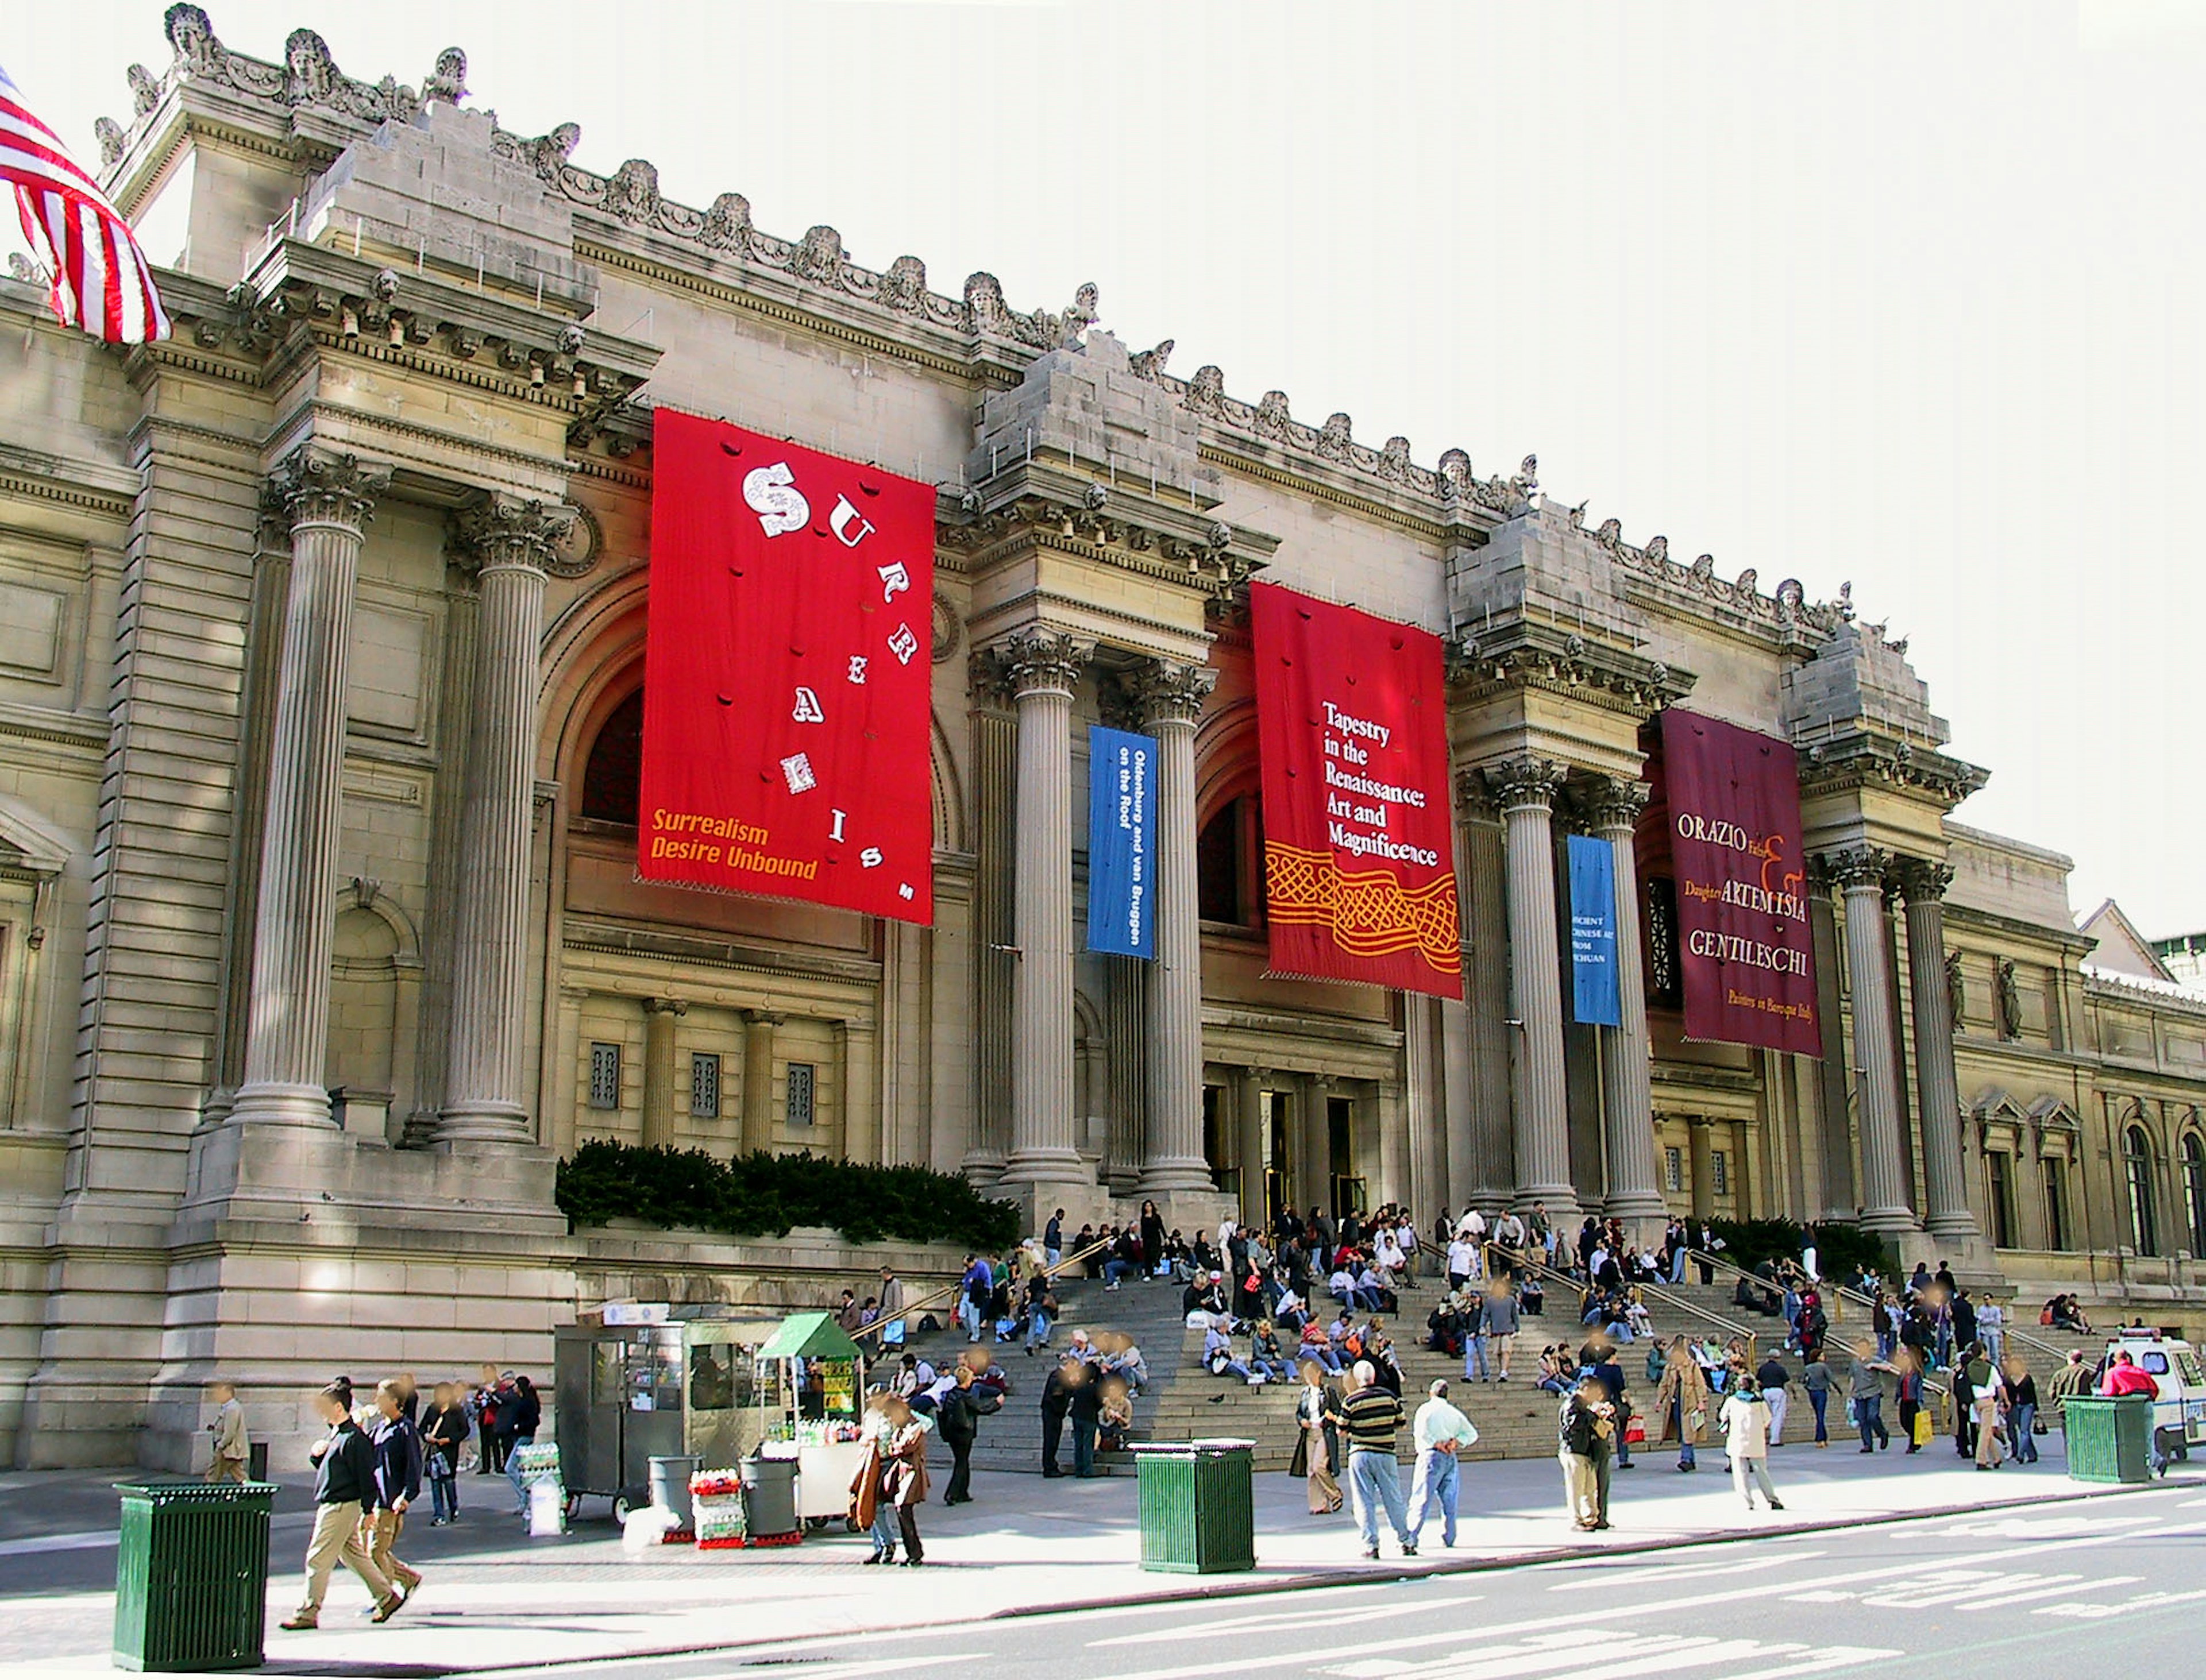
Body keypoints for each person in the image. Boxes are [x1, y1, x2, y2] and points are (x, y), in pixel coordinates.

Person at [280, 1382, 400, 1629]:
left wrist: (369, 1511)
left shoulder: (353, 1438)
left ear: (338, 1407)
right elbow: (332, 1468)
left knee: (318, 1557)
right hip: (338, 1502)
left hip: (341, 1505)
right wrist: (316, 1456)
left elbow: (367, 1478)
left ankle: (308, 1611)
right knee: (353, 1555)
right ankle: (386, 1596)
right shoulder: (338, 1434)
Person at [1340, 1360, 1416, 1559]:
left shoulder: (1351, 1401)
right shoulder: (1389, 1397)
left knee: (1364, 1500)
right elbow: (1402, 1423)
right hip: (1386, 1453)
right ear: (1374, 1377)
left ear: (1357, 1379)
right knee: (1393, 1498)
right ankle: (1406, 1541)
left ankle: (1371, 1545)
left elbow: (1341, 1428)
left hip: (1360, 1453)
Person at [365, 1379, 425, 1605]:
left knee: (376, 1552)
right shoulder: (380, 1429)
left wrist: (407, 1496)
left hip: (391, 1502)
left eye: (381, 1397)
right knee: (374, 1550)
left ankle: (385, 1597)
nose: (376, 1401)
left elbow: (414, 1465)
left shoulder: (405, 1429)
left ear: (395, 1401)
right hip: (376, 1499)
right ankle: (409, 1578)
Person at [1409, 1378, 1479, 1547]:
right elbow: (1472, 1434)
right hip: (1450, 1456)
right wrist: (1456, 1442)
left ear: (1431, 1393)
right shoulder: (1453, 1412)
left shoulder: (1425, 1410)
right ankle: (1449, 1536)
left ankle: (1411, 1536)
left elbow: (1421, 1433)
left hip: (1431, 1455)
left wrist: (1436, 1443)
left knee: (1422, 1497)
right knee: (1449, 1499)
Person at [878, 1395, 930, 1565]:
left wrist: (896, 1447)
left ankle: (915, 1552)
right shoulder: (902, 1427)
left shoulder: (914, 1426)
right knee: (903, 1512)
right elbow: (894, 1446)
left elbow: (904, 1447)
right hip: (903, 1472)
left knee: (904, 1509)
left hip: (912, 1473)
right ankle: (913, 1552)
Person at [1718, 1380, 1784, 1512]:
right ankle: (1772, 1499)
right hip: (1756, 1441)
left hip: (1737, 1440)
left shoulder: (1732, 1401)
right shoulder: (1759, 1402)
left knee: (1740, 1473)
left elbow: (1723, 1416)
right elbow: (1768, 1420)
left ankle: (1747, 1501)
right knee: (1761, 1472)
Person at [1293, 1360, 1344, 1515]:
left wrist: (1329, 1418)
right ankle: (1319, 1505)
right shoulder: (1305, 1393)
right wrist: (1302, 1421)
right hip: (1309, 1432)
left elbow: (1338, 1411)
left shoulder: (1328, 1392)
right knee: (1311, 1470)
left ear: (1318, 1374)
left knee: (1319, 1465)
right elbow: (1300, 1412)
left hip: (1324, 1432)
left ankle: (1334, 1493)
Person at [1654, 1338, 1710, 1472]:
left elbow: (1700, 1384)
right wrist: (1659, 1401)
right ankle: (1690, 1459)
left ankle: (1686, 1459)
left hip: (1690, 1402)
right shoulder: (1670, 1368)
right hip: (1675, 1402)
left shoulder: (1692, 1366)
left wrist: (1702, 1401)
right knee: (1682, 1431)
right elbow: (1664, 1384)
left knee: (1688, 1431)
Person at [1557, 1378, 1604, 1531]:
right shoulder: (1572, 1404)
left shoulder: (1583, 1405)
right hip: (1574, 1451)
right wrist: (1592, 1414)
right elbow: (1573, 1424)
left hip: (1585, 1450)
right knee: (1576, 1488)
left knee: (1590, 1487)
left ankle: (1591, 1517)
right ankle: (1576, 1520)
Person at [421, 1381, 468, 1524]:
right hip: (435, 1451)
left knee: (448, 1481)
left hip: (449, 1451)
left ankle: (453, 1508)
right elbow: (422, 1427)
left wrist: (450, 1439)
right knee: (435, 1483)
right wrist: (427, 1436)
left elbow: (465, 1430)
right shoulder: (432, 1409)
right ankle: (439, 1514)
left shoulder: (457, 1411)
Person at [502, 1373, 540, 1519]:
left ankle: (525, 1496)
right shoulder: (523, 1400)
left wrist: (518, 1426)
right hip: (520, 1436)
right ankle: (524, 1498)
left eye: (517, 1385)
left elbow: (534, 1420)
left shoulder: (528, 1402)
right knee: (519, 1469)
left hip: (524, 1436)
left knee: (510, 1468)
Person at [1847, 1343, 1895, 1452]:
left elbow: (1888, 1367)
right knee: (1862, 1420)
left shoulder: (1874, 1359)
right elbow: (1852, 1378)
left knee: (1873, 1416)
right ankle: (1867, 1444)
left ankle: (1882, 1433)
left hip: (1874, 1392)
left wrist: (1874, 1366)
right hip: (1859, 1394)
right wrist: (1850, 1393)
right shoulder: (1855, 1362)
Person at [205, 1380, 249, 1484]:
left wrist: (221, 1445)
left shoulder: (232, 1409)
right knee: (239, 1475)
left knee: (213, 1475)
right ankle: (252, 1491)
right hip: (231, 1450)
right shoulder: (229, 1408)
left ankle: (209, 1494)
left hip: (228, 1450)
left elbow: (230, 1431)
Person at [1067, 1354, 1104, 1478]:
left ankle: (1079, 1469)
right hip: (1090, 1417)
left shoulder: (1078, 1387)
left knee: (1078, 1444)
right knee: (1088, 1444)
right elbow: (1099, 1403)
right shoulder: (1095, 1388)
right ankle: (1088, 1470)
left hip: (1077, 1416)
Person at [2002, 1356, 2040, 1465]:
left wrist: (2036, 1410)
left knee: (2024, 1430)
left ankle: (2021, 1455)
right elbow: (2006, 1394)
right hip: (2014, 1406)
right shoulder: (2008, 1379)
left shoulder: (2027, 1378)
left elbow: (2033, 1394)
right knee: (2022, 1430)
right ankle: (2032, 1454)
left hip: (2027, 1405)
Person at [1484, 1281, 1521, 1381]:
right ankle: (1502, 1371)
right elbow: (1485, 1314)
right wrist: (1482, 1326)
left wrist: (1517, 1329)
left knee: (1506, 1351)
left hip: (1508, 1330)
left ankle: (1504, 1371)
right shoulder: (1490, 1301)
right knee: (1499, 1352)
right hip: (1496, 1330)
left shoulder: (1511, 1300)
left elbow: (1515, 1315)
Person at [1756, 1352, 1791, 1447]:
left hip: (1766, 1391)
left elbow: (1758, 1381)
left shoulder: (1763, 1368)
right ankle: (1775, 1439)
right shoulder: (1780, 1369)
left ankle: (1761, 1438)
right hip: (1778, 1391)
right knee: (1777, 1416)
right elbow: (1788, 1381)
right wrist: (1794, 1393)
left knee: (1766, 1415)